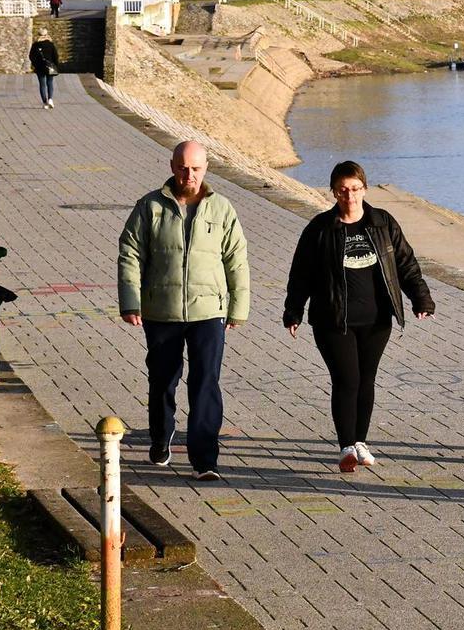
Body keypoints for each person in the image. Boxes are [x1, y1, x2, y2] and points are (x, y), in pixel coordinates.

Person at [284, 161, 434, 473]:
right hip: (333, 320)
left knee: (366, 380)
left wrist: (421, 297)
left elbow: (405, 263)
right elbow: (301, 273)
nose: (349, 195)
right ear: (333, 192)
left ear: (364, 189)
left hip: (377, 320)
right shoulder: (320, 229)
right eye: (342, 190)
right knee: (346, 379)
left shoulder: (383, 223)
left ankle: (360, 442)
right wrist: (293, 310)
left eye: (354, 189)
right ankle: (346, 447)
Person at [118, 141, 250, 482]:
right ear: (172, 166)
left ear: (206, 169)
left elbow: (236, 260)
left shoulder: (221, 208)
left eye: (195, 168)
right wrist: (131, 301)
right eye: (182, 167)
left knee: (206, 382)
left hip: (209, 311)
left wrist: (238, 308)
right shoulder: (150, 206)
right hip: (161, 311)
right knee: (163, 380)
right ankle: (161, 438)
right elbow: (130, 254)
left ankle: (205, 459)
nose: (188, 175)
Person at [28, 28, 60, 109]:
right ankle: (50, 99)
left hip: (40, 68)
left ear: (38, 35)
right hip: (50, 67)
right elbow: (56, 56)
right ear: (46, 35)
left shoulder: (35, 45)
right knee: (50, 83)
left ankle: (45, 102)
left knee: (42, 85)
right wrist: (56, 65)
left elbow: (31, 56)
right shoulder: (51, 44)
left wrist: (36, 65)